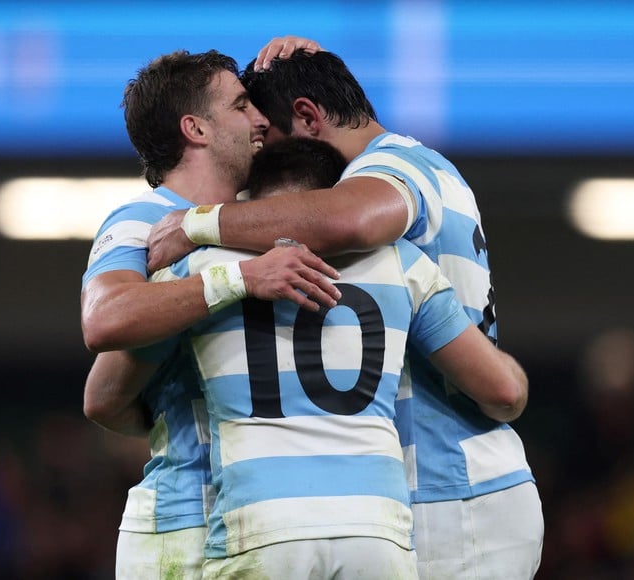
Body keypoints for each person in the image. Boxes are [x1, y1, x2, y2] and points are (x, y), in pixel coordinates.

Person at [146, 42, 543, 579]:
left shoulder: (397, 165)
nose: (271, 173)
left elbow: (348, 219)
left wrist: (200, 224)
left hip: (450, 489)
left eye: (273, 145)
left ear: (308, 116)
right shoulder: (417, 175)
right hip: (454, 486)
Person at [79, 49, 340, 579]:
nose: (262, 119)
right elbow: (105, 320)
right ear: (195, 128)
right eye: (242, 105)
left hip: (274, 523)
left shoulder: (259, 214)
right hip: (184, 527)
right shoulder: (142, 220)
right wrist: (240, 279)